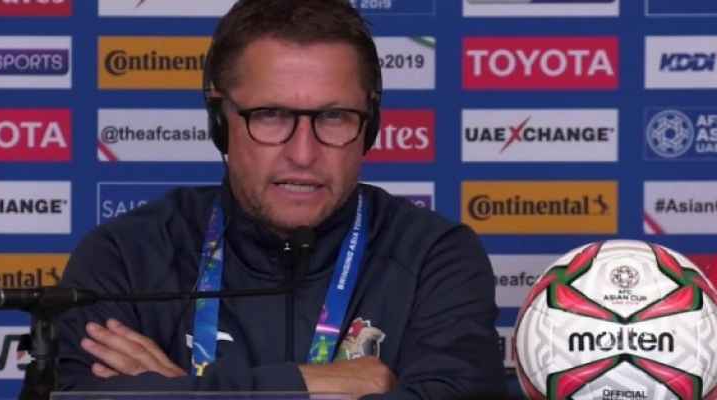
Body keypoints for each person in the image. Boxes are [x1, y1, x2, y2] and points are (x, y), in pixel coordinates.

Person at [55, 0, 506, 398]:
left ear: (370, 125)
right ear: (218, 121)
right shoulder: (125, 257)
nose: (303, 154)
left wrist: (180, 391)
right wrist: (312, 386)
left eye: (334, 116)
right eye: (270, 115)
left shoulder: (434, 258)